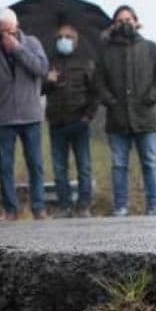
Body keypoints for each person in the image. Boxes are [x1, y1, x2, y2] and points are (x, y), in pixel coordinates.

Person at [0, 7, 50, 220]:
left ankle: (38, 207)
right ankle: (11, 209)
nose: (6, 36)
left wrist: (18, 49)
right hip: (3, 118)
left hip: (31, 115)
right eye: (2, 32)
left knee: (35, 164)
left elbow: (42, 69)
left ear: (17, 27)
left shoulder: (32, 44)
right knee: (5, 166)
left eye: (10, 31)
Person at [96, 4, 156, 215]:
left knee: (150, 163)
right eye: (120, 21)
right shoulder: (106, 52)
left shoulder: (151, 48)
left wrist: (151, 97)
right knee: (119, 165)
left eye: (128, 20)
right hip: (117, 120)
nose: (124, 24)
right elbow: (98, 81)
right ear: (114, 25)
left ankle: (154, 207)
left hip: (146, 118)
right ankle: (120, 207)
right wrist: (109, 100)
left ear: (136, 22)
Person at [42, 23, 98, 217]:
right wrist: (47, 81)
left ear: (76, 40)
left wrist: (88, 116)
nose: (62, 40)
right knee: (59, 168)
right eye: (59, 37)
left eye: (67, 37)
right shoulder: (49, 62)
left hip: (79, 121)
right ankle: (64, 206)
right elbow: (39, 90)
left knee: (84, 166)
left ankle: (84, 205)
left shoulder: (86, 62)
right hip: (56, 122)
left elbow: (95, 92)